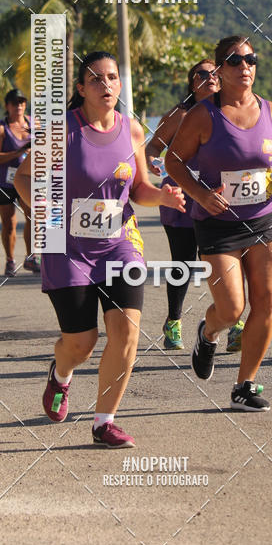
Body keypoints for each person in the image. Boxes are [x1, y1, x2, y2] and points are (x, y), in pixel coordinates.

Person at [14, 51, 185, 448]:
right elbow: (24, 178)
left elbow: (139, 189)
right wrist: (43, 209)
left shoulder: (133, 131)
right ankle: (61, 375)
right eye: (96, 79)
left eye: (111, 77)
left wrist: (164, 196)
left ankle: (103, 422)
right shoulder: (63, 133)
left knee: (126, 331)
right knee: (82, 343)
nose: (105, 85)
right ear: (81, 89)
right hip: (66, 245)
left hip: (120, 243)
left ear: (120, 84)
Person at [165, 35, 272, 411]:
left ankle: (245, 385)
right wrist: (199, 195)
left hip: (264, 219)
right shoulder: (202, 115)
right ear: (220, 70)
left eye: (250, 59)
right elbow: (174, 163)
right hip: (217, 224)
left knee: (267, 301)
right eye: (234, 61)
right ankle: (209, 332)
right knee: (231, 309)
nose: (245, 66)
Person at [146, 59, 248, 352]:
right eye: (203, 74)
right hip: (181, 196)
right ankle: (173, 321)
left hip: (219, 197)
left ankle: (235, 324)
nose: (211, 77)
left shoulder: (230, 110)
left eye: (216, 72)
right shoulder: (179, 114)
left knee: (226, 260)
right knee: (184, 262)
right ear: (193, 82)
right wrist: (153, 161)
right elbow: (153, 146)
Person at [0, 88, 39, 277]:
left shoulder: (34, 123)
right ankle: (10, 260)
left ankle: (31, 257)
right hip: (3, 182)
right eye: (14, 102)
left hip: (26, 179)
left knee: (32, 217)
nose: (19, 106)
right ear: (7, 106)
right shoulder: (1, 127)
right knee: (9, 223)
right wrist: (18, 153)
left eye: (22, 102)